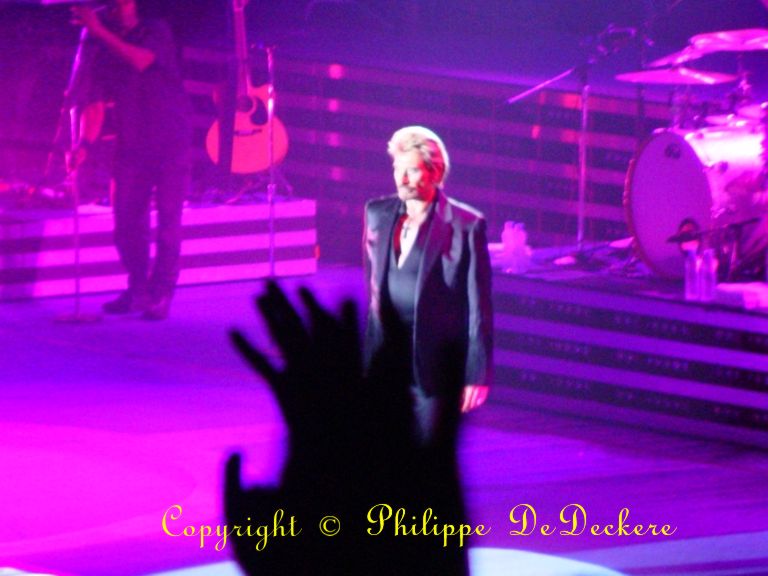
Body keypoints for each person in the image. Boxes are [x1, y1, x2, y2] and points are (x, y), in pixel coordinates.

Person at [363, 126, 493, 442]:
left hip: (435, 364)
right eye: (397, 168)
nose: (402, 179)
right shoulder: (376, 213)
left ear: (435, 172)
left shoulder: (465, 225)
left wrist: (477, 373)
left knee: (427, 450)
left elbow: (478, 305)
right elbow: (374, 287)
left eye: (412, 170)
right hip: (385, 355)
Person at [69, 0, 191, 320]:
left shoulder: (155, 30)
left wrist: (97, 30)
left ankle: (161, 293)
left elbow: (140, 60)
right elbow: (94, 102)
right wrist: (84, 144)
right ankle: (137, 289)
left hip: (170, 141)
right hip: (132, 144)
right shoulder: (101, 43)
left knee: (168, 223)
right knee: (125, 223)